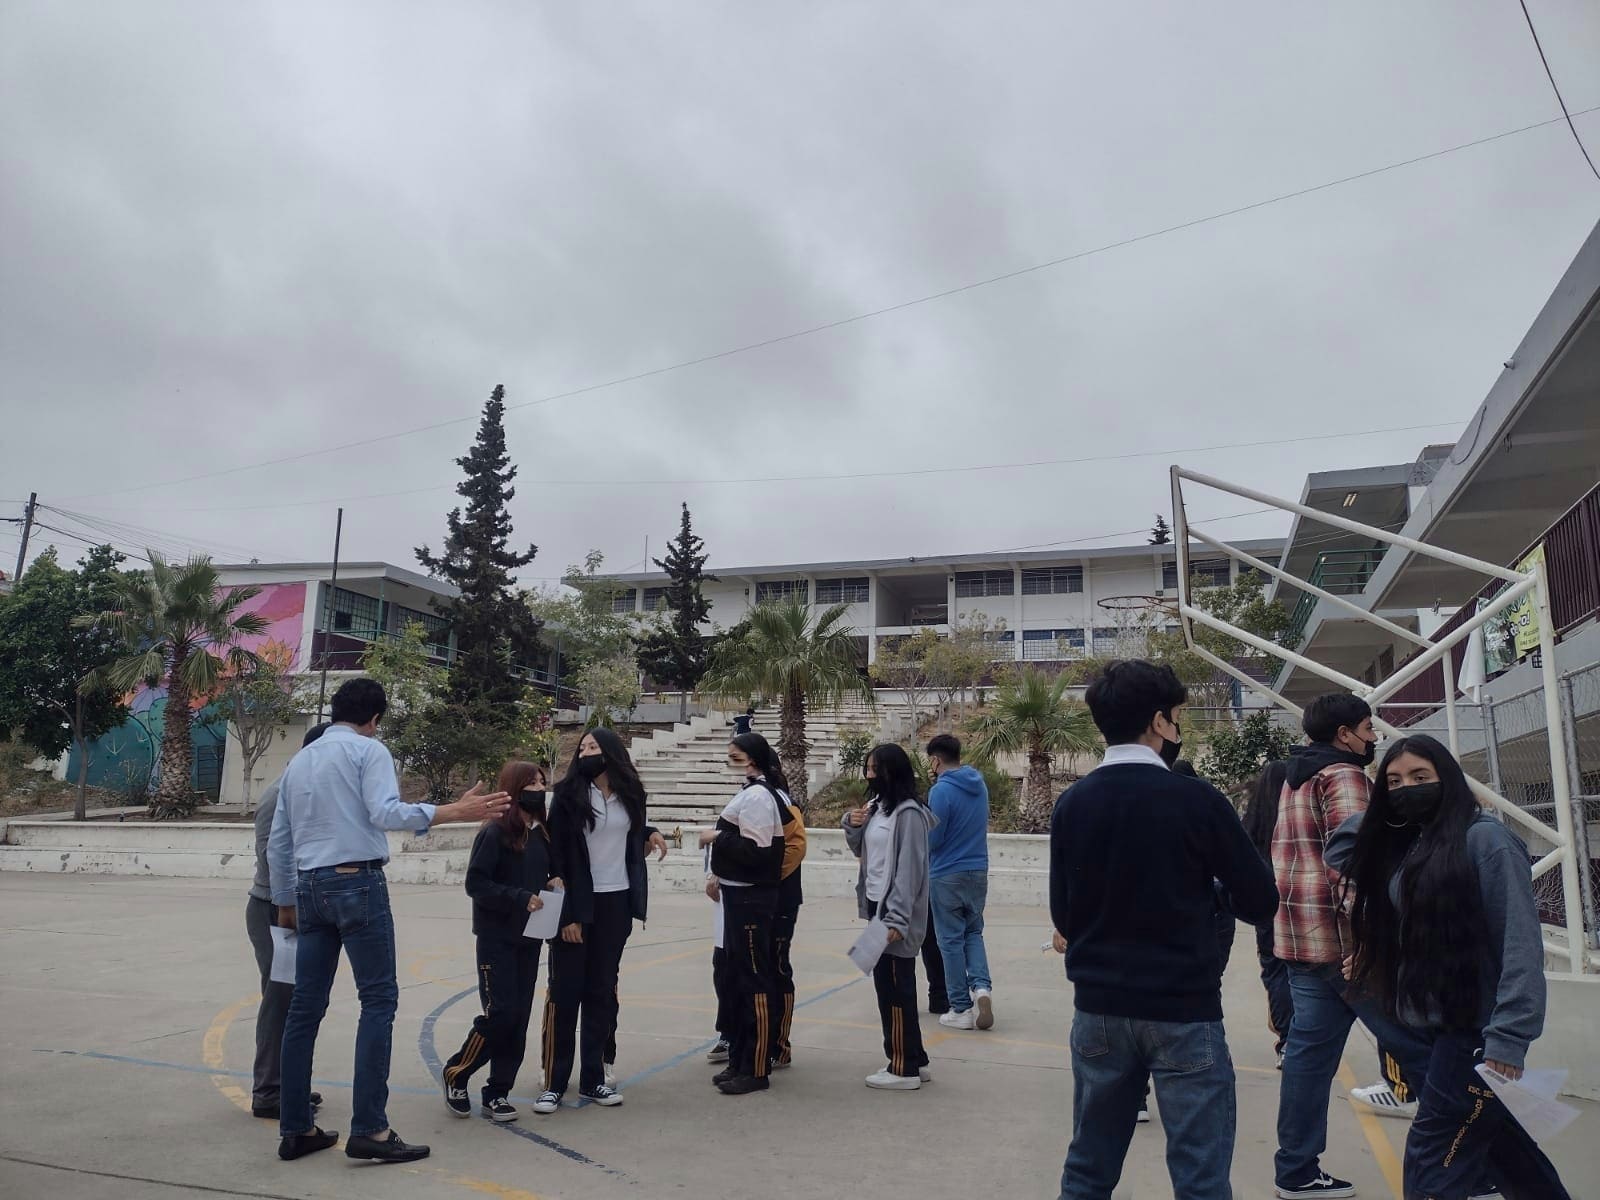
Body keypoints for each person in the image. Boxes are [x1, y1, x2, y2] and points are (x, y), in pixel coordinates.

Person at [1049, 660, 1278, 1200]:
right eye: (1177, 716)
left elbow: (1065, 914)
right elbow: (1259, 900)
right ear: (1158, 722)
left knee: (1088, 1168)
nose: (1178, 726)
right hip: (1184, 1011)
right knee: (1200, 1177)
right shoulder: (1197, 800)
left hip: (1099, 1009)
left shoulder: (1073, 803)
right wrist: (1212, 894)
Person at [267, 678, 512, 1164]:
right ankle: (371, 1130)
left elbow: (280, 838)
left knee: (304, 1009)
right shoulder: (367, 750)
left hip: (309, 886)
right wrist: (452, 811)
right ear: (375, 719)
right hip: (357, 882)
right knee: (377, 1002)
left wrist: (285, 900)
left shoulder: (299, 762)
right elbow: (384, 813)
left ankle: (295, 1129)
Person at [1331, 735, 1571, 1199]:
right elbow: (1341, 850)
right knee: (1509, 1155)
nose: (1407, 788)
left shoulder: (1487, 841)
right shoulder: (1417, 846)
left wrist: (1510, 1037)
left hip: (1476, 1035)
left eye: (1421, 778)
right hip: (1434, 1029)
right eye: (1395, 781)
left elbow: (1520, 946)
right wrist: (1384, 807)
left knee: (1432, 1162)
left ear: (1451, 781)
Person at [1270, 692, 1434, 1199]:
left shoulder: (1293, 778)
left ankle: (1295, 1172)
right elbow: (1353, 863)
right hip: (1348, 949)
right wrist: (1366, 937)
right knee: (1425, 1053)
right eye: (1368, 728)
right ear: (1344, 734)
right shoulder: (1342, 776)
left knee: (1308, 1060)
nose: (1373, 738)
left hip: (1302, 943)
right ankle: (1468, 1163)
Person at [537, 728, 668, 1113]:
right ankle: (554, 1082)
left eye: (593, 746)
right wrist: (569, 914)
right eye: (582, 748)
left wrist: (653, 831)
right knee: (565, 994)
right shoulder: (567, 795)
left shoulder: (632, 794)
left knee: (601, 991)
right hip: (579, 903)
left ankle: (593, 1079)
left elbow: (630, 832)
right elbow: (557, 854)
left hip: (617, 902)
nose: (586, 752)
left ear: (611, 752)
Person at [441, 762, 559, 1124]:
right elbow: (477, 884)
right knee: (501, 1013)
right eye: (531, 782)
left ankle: (498, 1092)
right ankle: (457, 1071)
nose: (538, 788)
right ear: (513, 789)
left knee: (519, 1017)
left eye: (541, 782)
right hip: (497, 939)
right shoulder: (494, 833)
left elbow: (547, 872)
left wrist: (555, 882)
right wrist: (518, 896)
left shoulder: (541, 833)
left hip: (530, 937)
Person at [244, 721, 328, 1120]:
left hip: (301, 910)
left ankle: (290, 1085)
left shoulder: (308, 789)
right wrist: (288, 910)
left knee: (302, 1001)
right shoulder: (279, 794)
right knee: (281, 1001)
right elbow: (273, 861)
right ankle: (268, 1092)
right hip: (276, 911)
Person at [843, 744, 936, 1091]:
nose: (869, 775)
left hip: (894, 915)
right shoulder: (877, 808)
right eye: (867, 768)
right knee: (892, 986)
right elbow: (862, 852)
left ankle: (902, 1067)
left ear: (892, 772)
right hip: (877, 908)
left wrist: (897, 919)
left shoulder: (909, 814)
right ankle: (916, 1058)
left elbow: (910, 870)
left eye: (875, 769)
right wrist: (851, 824)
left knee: (894, 990)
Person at [700, 732, 787, 1095]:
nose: (729, 761)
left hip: (752, 900)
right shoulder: (749, 793)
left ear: (751, 759)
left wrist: (716, 838)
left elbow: (759, 852)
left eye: (734, 756)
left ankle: (756, 1066)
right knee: (738, 979)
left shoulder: (757, 797)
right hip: (738, 898)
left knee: (755, 982)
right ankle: (740, 1058)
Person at [925, 733, 994, 1031]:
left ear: (935, 760)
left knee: (950, 940)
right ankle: (981, 987)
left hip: (946, 873)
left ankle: (960, 1007)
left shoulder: (940, 791)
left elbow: (934, 837)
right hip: (977, 869)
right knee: (973, 932)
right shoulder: (979, 785)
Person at [1240, 759, 1294, 1067]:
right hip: (1296, 901)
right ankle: (1298, 1036)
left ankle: (1287, 1039)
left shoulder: (1255, 819)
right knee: (1300, 974)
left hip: (1265, 905)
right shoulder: (1295, 812)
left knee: (1274, 970)